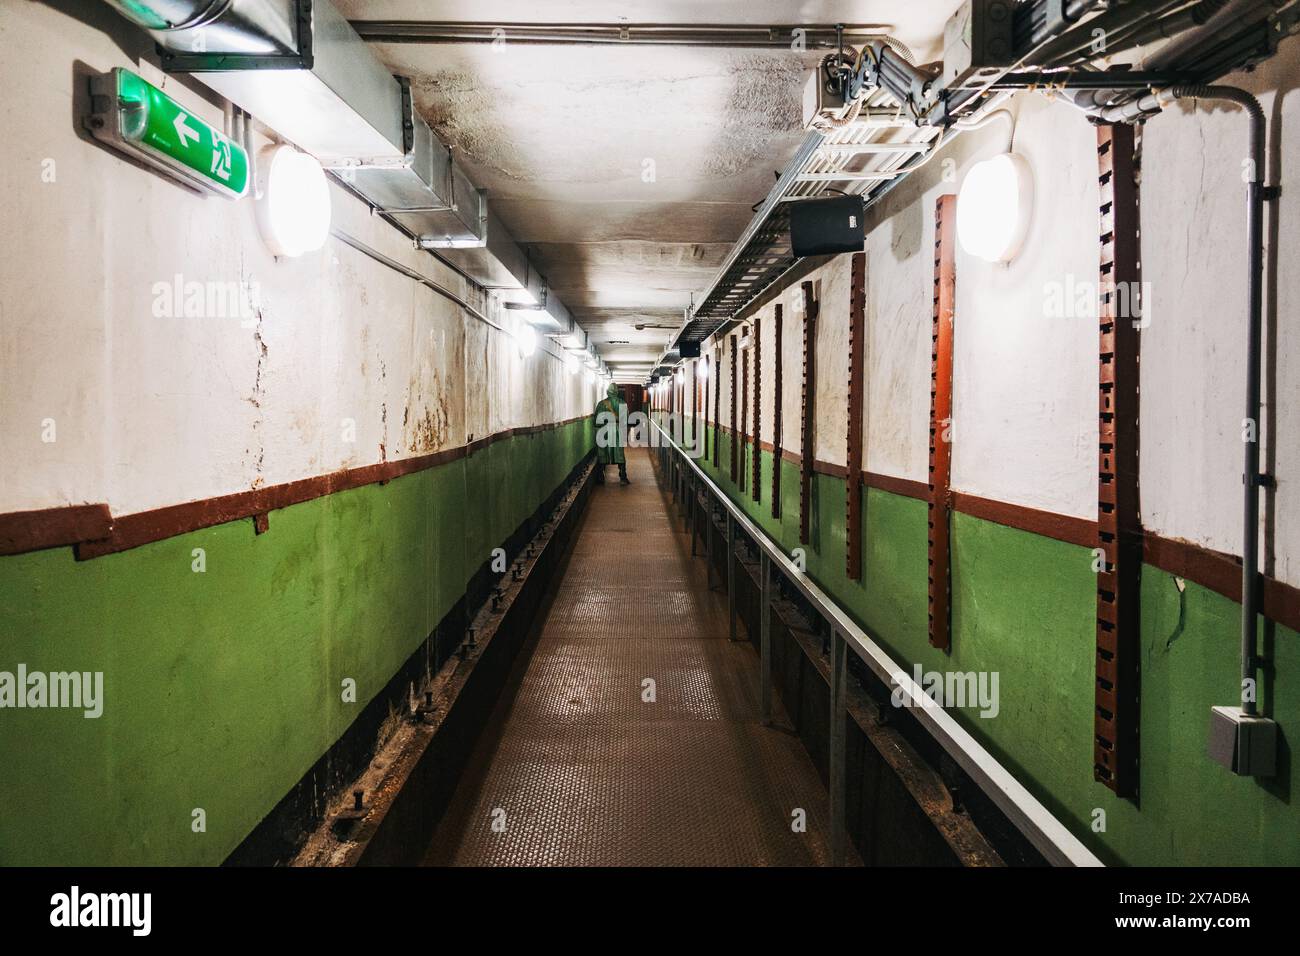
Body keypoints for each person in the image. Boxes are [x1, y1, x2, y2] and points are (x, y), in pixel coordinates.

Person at [593, 381, 629, 484]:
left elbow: (596, 421)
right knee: (619, 453)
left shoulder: (601, 404)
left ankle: (600, 477)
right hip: (617, 431)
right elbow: (625, 419)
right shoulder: (622, 403)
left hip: (604, 432)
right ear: (617, 392)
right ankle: (623, 477)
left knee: (602, 453)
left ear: (607, 391)